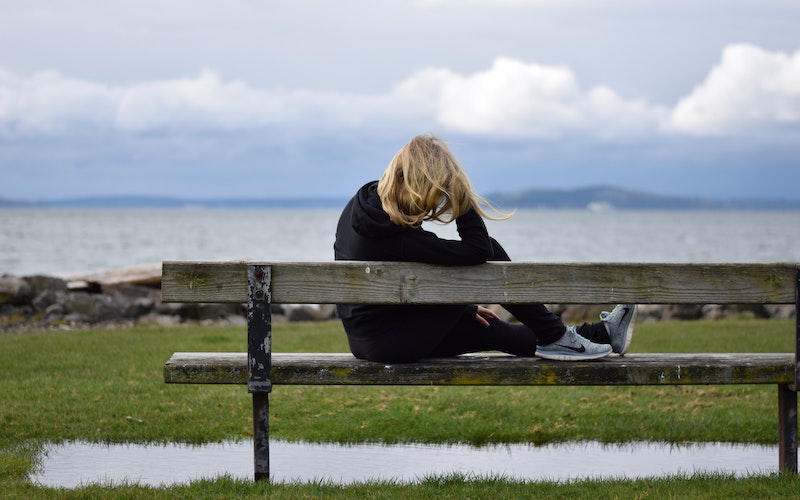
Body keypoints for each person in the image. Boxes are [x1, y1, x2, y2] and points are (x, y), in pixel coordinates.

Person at [334, 133, 635, 363]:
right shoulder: (393, 236)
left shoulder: (365, 205)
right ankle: (555, 335)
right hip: (391, 342)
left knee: (498, 331)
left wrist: (461, 308)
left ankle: (603, 335)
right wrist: (461, 194)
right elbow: (479, 250)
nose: (433, 205)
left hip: (371, 336)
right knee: (491, 248)